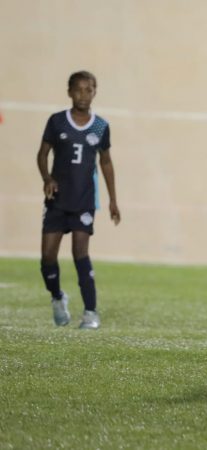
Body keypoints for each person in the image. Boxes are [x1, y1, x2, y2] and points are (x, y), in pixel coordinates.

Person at [36, 70, 120, 329]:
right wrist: (47, 178)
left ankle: (90, 313)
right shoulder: (57, 121)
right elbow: (42, 154)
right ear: (69, 92)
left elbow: (106, 162)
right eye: (78, 90)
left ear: (95, 92)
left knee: (80, 253)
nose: (83, 95)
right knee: (47, 257)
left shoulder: (100, 126)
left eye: (88, 90)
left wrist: (113, 200)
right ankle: (57, 297)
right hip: (57, 199)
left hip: (84, 200)